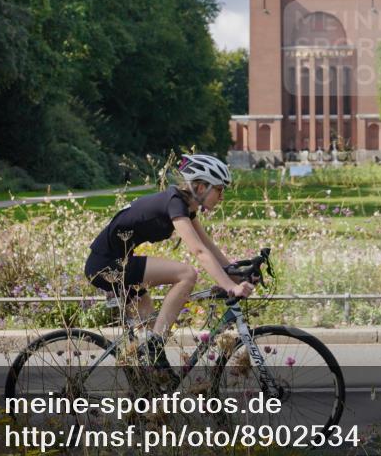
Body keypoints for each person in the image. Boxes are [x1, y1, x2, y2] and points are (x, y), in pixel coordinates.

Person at [84, 154, 254, 364]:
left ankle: (152, 372)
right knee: (187, 274)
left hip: (117, 263)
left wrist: (237, 275)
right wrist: (230, 286)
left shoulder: (184, 207)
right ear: (202, 188)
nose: (222, 197)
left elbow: (209, 246)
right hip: (106, 265)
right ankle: (155, 345)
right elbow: (199, 252)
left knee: (151, 332)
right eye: (219, 190)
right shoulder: (175, 203)